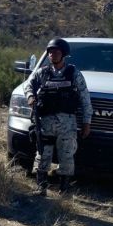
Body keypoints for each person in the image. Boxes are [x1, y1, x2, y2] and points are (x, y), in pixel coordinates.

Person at [24, 38, 92, 196]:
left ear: (63, 54)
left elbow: (84, 98)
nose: (52, 55)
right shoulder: (42, 73)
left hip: (67, 124)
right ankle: (41, 187)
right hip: (45, 122)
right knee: (42, 154)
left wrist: (86, 122)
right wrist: (30, 97)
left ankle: (64, 188)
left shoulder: (73, 73)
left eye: (56, 52)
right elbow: (28, 84)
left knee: (67, 156)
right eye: (50, 52)